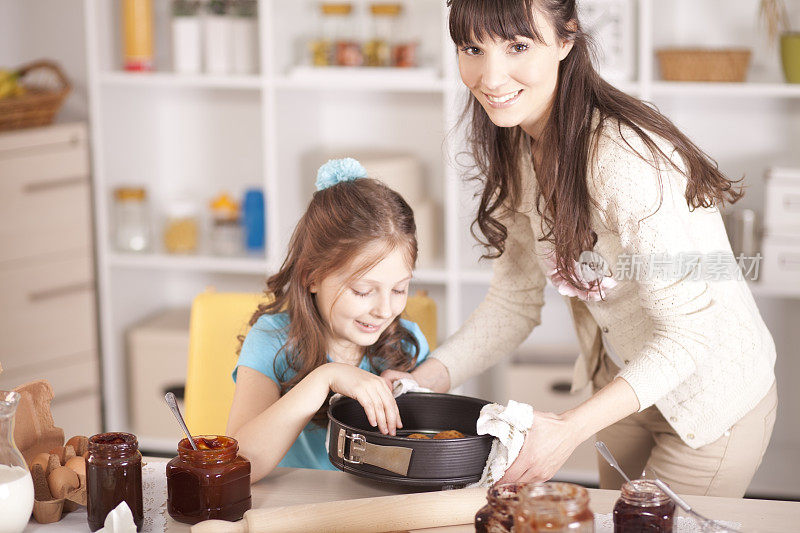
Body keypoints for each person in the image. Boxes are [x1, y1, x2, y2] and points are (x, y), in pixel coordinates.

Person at [382, 0, 777, 497]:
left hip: (708, 399)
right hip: (622, 384)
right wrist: (424, 381)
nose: (490, 75)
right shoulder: (517, 142)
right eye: (472, 48)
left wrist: (568, 428)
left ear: (567, 39)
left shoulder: (621, 158)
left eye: (518, 46)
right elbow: (514, 300)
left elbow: (689, 334)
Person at [228, 158, 429, 482]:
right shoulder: (273, 341)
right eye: (363, 291)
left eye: (400, 289)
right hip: (295, 506)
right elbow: (240, 465)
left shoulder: (405, 343)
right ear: (312, 277)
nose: (384, 309)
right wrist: (326, 378)